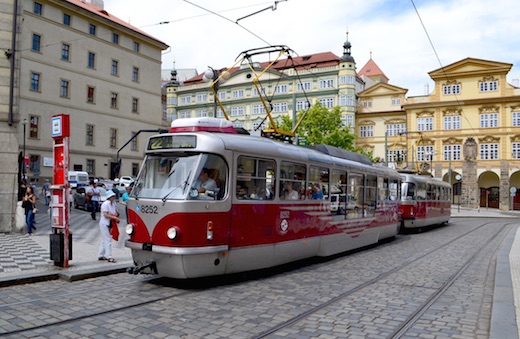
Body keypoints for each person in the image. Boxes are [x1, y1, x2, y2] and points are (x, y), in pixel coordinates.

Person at [98, 190, 119, 263]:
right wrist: (114, 218)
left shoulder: (113, 203)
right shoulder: (105, 204)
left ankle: (101, 254)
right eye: (112, 196)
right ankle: (109, 256)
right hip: (105, 223)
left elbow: (115, 212)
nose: (114, 197)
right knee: (107, 240)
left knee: (104, 239)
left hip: (110, 223)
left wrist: (115, 216)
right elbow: (105, 214)